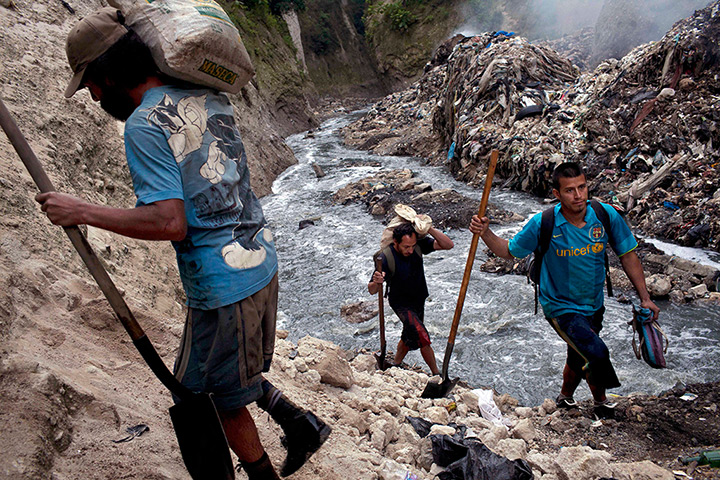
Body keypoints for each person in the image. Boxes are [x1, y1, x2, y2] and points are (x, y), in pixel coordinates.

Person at [36, 8, 329, 479]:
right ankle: (297, 425)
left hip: (221, 285)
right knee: (205, 383)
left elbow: (169, 222)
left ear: (109, 74)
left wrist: (82, 211)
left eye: (90, 81)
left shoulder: (145, 124)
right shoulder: (208, 95)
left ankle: (269, 463)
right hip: (258, 260)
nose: (91, 94)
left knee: (208, 396)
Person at [469, 162, 660, 419]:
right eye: (570, 190)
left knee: (577, 353)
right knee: (596, 351)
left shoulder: (605, 216)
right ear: (557, 194)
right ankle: (601, 402)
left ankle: (564, 397)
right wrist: (485, 232)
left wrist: (645, 298)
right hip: (560, 306)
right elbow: (509, 251)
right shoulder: (543, 223)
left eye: (582, 187)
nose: (578, 195)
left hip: (593, 303)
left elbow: (627, 255)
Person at [368, 222, 454, 375]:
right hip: (401, 303)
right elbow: (372, 290)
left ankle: (395, 364)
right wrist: (377, 281)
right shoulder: (385, 258)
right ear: (396, 242)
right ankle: (437, 374)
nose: (410, 250)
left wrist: (429, 229)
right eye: (406, 247)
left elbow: (448, 245)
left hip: (418, 298)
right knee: (422, 336)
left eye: (412, 246)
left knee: (409, 334)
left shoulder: (418, 245)